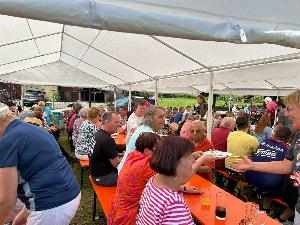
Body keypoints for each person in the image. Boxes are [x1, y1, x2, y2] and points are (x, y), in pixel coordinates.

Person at [0, 103, 81, 225]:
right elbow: (39, 173)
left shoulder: (7, 141)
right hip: (67, 194)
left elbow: (7, 200)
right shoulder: (31, 129)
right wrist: (21, 217)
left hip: (51, 205)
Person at [232, 89, 300, 224]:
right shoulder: (298, 136)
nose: (286, 114)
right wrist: (252, 165)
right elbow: (287, 165)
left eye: (290, 108)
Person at [136, 136, 214, 225]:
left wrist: (184, 188)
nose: (193, 161)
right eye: (189, 157)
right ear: (174, 163)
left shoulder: (153, 181)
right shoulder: (174, 205)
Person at [245, 126, 292, 213]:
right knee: (284, 177)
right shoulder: (288, 149)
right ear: (288, 138)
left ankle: (255, 195)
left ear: (274, 134)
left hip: (249, 176)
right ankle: (266, 208)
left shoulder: (264, 142)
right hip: (268, 183)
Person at [118, 105, 165, 172]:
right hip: (129, 173)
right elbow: (156, 160)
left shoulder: (144, 127)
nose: (163, 119)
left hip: (126, 168)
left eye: (164, 116)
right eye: (160, 117)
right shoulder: (147, 134)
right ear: (150, 119)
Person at [89, 111, 122, 186]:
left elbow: (104, 154)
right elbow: (117, 164)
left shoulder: (98, 133)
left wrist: (121, 154)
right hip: (103, 177)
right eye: (116, 122)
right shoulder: (107, 140)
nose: (119, 125)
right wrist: (129, 160)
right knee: (133, 175)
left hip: (95, 173)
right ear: (107, 122)